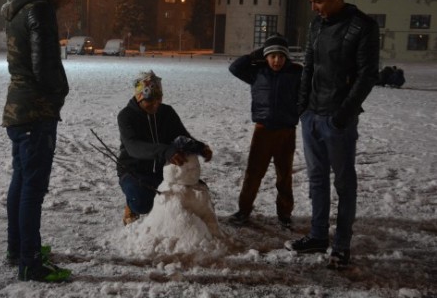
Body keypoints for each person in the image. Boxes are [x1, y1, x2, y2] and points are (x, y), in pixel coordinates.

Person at [284, 0, 379, 270]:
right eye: (311, 2)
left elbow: (367, 76)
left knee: (344, 183)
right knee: (316, 179)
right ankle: (317, 236)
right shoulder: (316, 26)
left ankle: (341, 245)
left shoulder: (362, 26)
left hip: (338, 120)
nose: (314, 8)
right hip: (312, 116)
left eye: (319, 1)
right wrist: (303, 109)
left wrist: (341, 117)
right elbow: (308, 67)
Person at [0, 0, 85, 282]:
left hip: (18, 110)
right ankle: (31, 263)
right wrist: (60, 92)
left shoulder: (21, 7)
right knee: (32, 189)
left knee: (21, 182)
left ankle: (18, 249)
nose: (72, 0)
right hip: (35, 113)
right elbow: (45, 68)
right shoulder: (40, 10)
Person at [117, 70, 213, 225]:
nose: (156, 104)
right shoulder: (126, 116)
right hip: (134, 171)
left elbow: (181, 137)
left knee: (196, 193)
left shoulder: (166, 112)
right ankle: (131, 206)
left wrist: (200, 148)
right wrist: (165, 151)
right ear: (139, 97)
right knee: (142, 203)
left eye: (158, 99)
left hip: (164, 171)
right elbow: (133, 147)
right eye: (150, 100)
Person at [228, 34, 303, 229]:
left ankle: (284, 213)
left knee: (284, 174)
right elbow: (234, 67)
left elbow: (307, 94)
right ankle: (243, 210)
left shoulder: (296, 73)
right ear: (266, 57)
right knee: (253, 173)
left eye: (280, 56)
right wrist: (258, 53)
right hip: (262, 131)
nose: (276, 60)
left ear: (286, 57)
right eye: (272, 56)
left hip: (286, 132)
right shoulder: (257, 72)